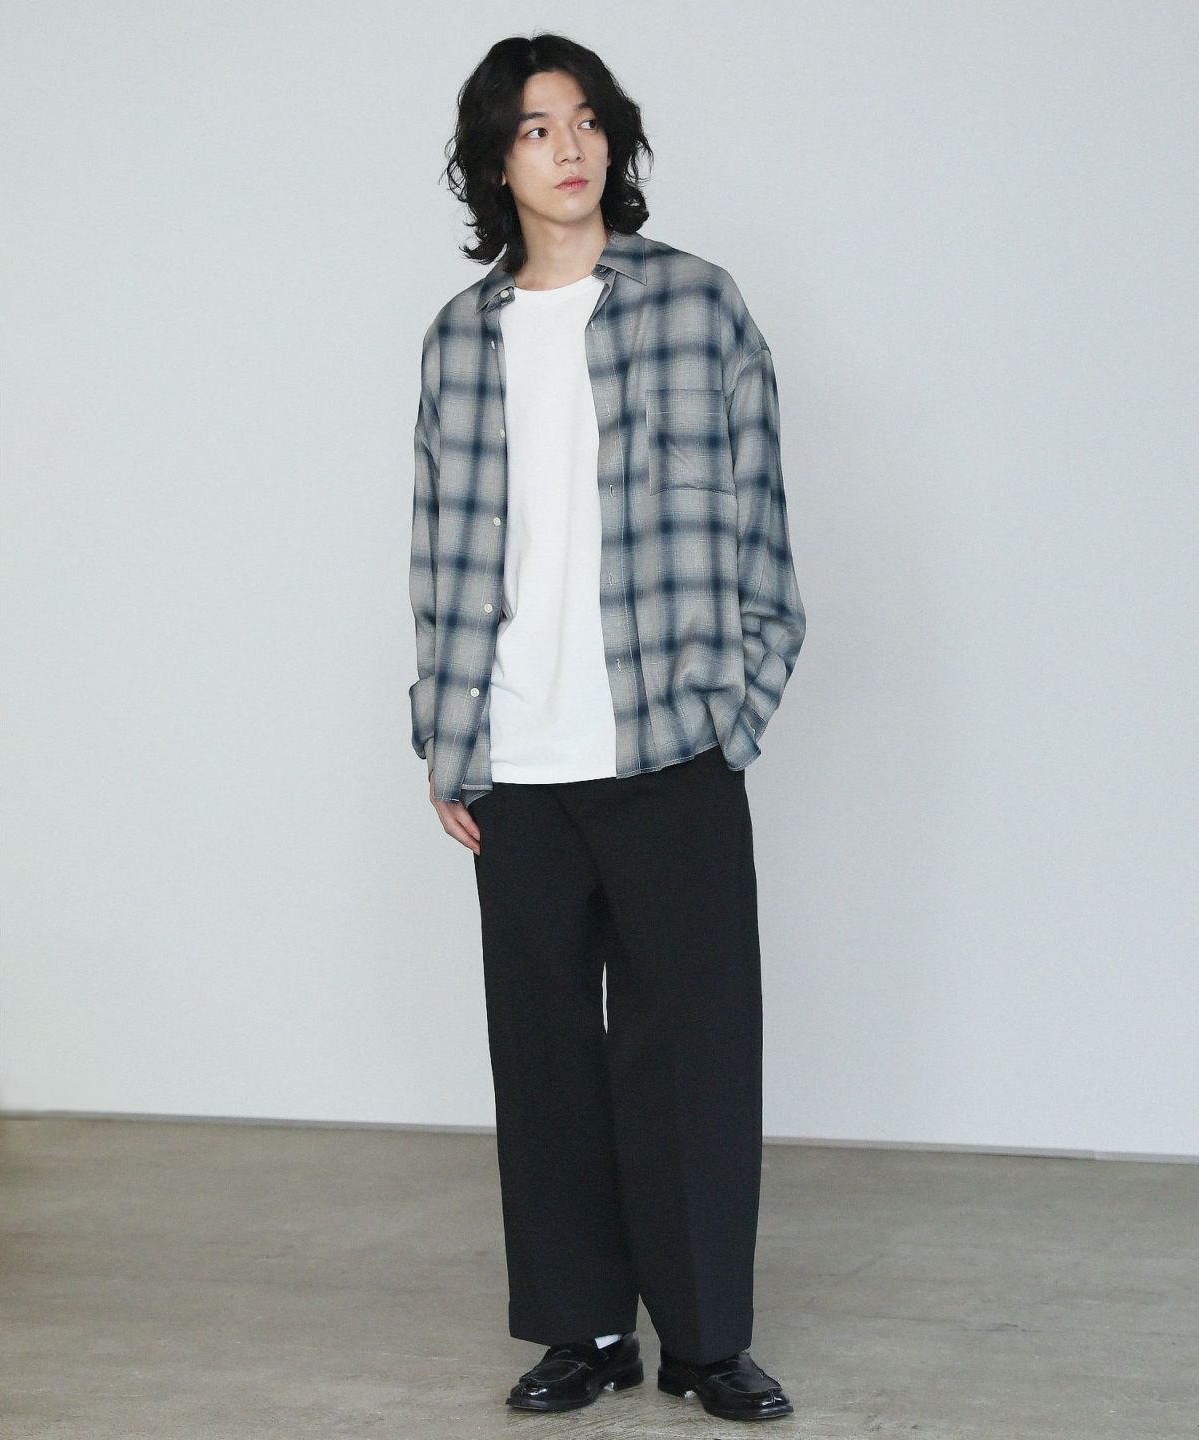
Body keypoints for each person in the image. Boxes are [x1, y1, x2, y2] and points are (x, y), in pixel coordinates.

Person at [407, 31, 805, 1423]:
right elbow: (441, 549)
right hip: (515, 760)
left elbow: (764, 523)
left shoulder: (698, 304)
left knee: (691, 1054)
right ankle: (582, 1331)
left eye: (584, 120)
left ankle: (703, 1341)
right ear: (495, 162)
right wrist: (445, 737)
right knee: (545, 1061)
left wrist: (740, 705)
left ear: (613, 139)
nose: (567, 148)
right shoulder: (461, 338)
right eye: (534, 129)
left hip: (669, 747)